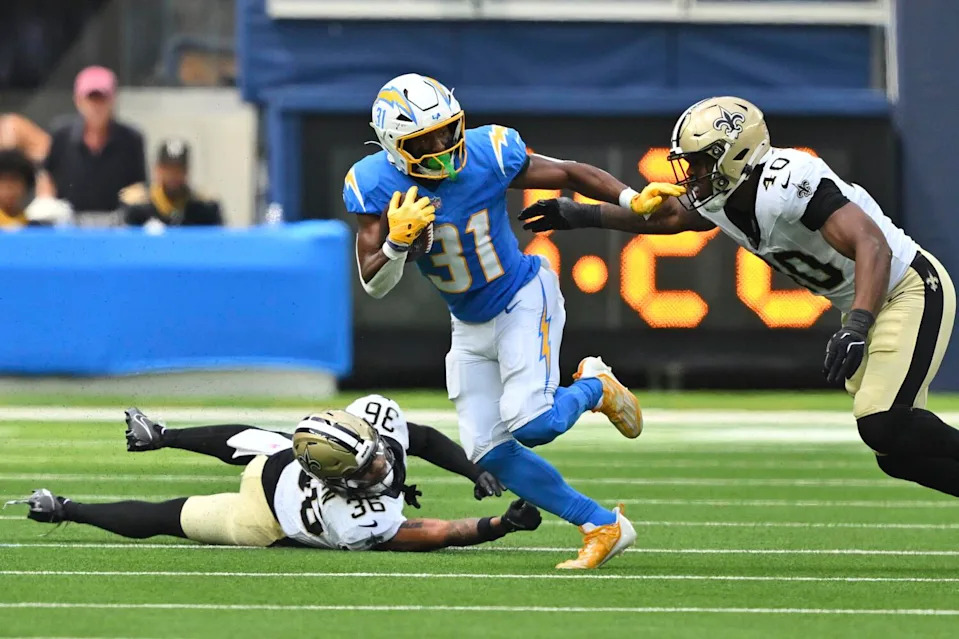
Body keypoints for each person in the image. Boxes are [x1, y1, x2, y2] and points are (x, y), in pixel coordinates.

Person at [520, 96, 959, 498]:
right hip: (867, 302)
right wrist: (582, 213)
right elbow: (670, 217)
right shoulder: (723, 193)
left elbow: (872, 245)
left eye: (699, 164)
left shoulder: (791, 180)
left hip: (908, 288)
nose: (690, 175)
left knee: (884, 422)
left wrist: (859, 324)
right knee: (897, 455)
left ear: (736, 155)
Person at [345, 74, 672, 569]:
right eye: (424, 141)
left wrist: (629, 199)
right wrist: (396, 243)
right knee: (488, 451)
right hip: (468, 323)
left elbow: (569, 172)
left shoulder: (485, 153)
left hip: (521, 295)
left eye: (446, 130)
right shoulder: (376, 183)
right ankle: (602, 524)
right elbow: (374, 282)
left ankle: (596, 386)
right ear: (394, 146)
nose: (441, 146)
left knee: (534, 422)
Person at [7, 395, 542, 551]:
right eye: (370, 465)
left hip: (285, 464)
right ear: (343, 481)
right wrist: (500, 526)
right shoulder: (357, 517)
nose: (383, 463)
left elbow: (418, 439)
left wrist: (473, 470)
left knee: (256, 439)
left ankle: (160, 436)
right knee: (168, 518)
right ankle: (67, 511)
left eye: (376, 452)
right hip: (265, 516)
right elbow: (432, 532)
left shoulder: (370, 427)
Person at [37, 66, 146, 222]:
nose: (96, 106)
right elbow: (47, 174)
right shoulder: (61, 134)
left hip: (117, 221)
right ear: (78, 100)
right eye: (91, 99)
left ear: (113, 100)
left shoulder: (131, 138)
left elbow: (138, 184)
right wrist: (48, 204)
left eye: (102, 98)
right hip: (68, 219)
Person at [121, 138, 223, 227]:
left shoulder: (204, 207)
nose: (172, 176)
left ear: (187, 171)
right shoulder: (137, 206)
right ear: (157, 170)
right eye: (167, 170)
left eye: (178, 170)